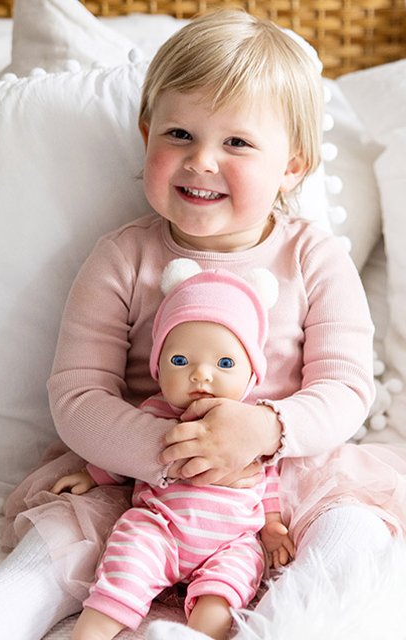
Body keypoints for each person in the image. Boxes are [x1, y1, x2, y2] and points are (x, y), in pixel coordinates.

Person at [0, 9, 406, 640]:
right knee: (45, 562)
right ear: (147, 133)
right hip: (141, 479)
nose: (201, 161)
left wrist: (265, 428)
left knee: (351, 536)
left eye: (236, 143)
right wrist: (175, 453)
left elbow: (346, 389)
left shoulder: (312, 256)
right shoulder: (123, 257)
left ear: (293, 165)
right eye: (180, 134)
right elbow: (78, 396)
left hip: (285, 473)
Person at [51, 260, 294, 640]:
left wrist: (274, 525)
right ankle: (91, 632)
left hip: (230, 542)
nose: (201, 375)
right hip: (159, 528)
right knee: (126, 561)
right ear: (158, 369)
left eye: (225, 363)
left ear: (251, 374)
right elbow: (123, 455)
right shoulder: (153, 415)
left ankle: (198, 634)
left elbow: (269, 479)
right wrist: (90, 475)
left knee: (227, 590)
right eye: (180, 361)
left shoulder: (248, 425)